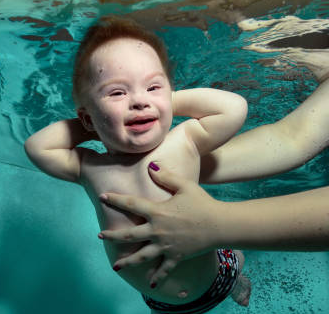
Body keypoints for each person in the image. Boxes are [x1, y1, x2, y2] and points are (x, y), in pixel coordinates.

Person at [24, 16, 251, 314]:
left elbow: (234, 107)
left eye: (153, 86)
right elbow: (37, 147)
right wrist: (94, 119)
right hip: (164, 304)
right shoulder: (90, 167)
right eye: (117, 93)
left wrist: (163, 101)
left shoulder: (183, 140)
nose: (139, 100)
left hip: (217, 275)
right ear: (87, 116)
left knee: (235, 267)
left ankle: (238, 277)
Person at [97, 51, 329, 287]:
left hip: (214, 272)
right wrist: (178, 159)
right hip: (170, 296)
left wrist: (217, 224)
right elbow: (292, 139)